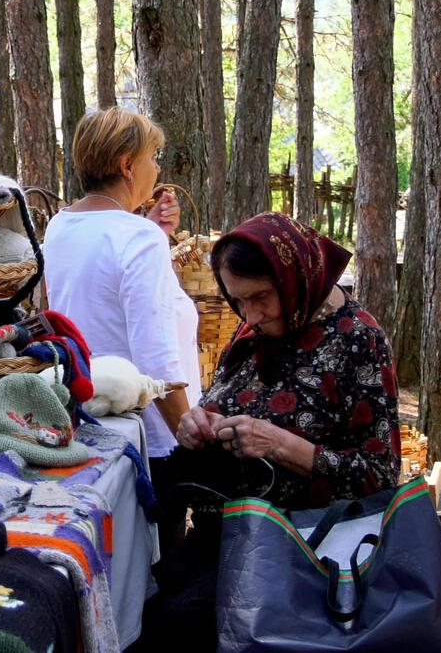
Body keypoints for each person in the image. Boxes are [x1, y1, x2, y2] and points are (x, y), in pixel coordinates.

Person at [143, 211, 401, 650]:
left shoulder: (359, 339)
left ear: (294, 276)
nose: (251, 314)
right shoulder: (252, 330)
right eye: (238, 300)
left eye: (261, 297)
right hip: (224, 540)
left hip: (301, 553)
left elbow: (378, 475)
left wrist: (282, 446)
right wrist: (196, 424)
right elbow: (215, 403)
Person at [43, 106, 201, 479]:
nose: (157, 170)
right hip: (151, 436)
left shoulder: (60, 225)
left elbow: (99, 290)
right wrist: (191, 439)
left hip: (87, 416)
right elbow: (155, 356)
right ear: (127, 165)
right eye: (152, 158)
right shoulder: (138, 238)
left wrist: (148, 230)